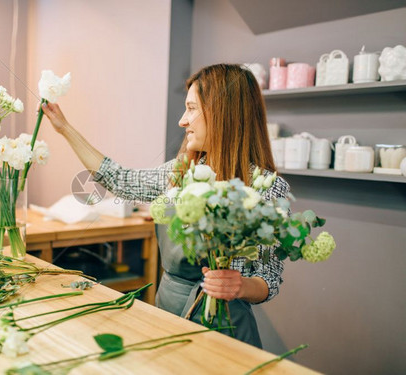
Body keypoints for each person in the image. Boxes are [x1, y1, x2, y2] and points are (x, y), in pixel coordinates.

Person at [42, 63, 290, 348]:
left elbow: (268, 278)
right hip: (168, 313)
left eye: (192, 108)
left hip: (226, 332)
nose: (183, 121)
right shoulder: (182, 170)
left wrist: (240, 286)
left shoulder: (268, 188)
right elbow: (120, 179)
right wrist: (64, 128)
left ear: (224, 114)